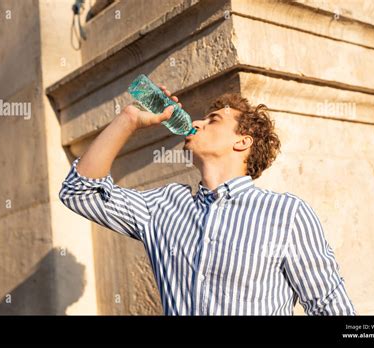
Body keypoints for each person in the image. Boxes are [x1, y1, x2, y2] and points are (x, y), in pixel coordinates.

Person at [59, 83, 356, 315]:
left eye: (213, 120)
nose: (197, 123)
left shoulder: (286, 213)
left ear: (242, 141)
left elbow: (329, 305)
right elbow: (79, 192)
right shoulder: (164, 208)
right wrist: (129, 119)